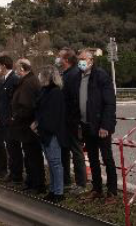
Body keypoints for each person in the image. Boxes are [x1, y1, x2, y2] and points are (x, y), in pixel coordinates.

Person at [76, 49, 117, 203]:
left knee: (107, 159)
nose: (81, 61)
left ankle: (112, 192)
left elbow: (109, 103)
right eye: (79, 58)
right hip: (86, 126)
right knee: (92, 159)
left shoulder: (100, 75)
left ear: (91, 60)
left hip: (101, 126)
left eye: (83, 59)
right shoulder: (79, 77)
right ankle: (97, 189)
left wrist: (105, 126)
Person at [11, 59, 45, 194]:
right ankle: (31, 181)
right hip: (25, 125)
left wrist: (17, 116)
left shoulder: (29, 83)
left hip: (29, 126)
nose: (16, 71)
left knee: (33, 156)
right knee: (29, 156)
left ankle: (37, 184)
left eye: (17, 68)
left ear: (22, 68)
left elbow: (28, 106)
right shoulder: (26, 81)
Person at [34, 65, 67, 203]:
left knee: (55, 163)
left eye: (41, 75)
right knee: (51, 163)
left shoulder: (55, 92)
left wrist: (41, 125)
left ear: (47, 76)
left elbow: (53, 115)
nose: (39, 77)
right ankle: (53, 190)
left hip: (52, 133)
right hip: (44, 131)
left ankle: (59, 192)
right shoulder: (45, 90)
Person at [59, 48, 87, 194]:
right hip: (65, 120)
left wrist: (76, 120)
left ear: (66, 60)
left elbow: (76, 99)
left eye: (60, 57)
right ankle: (67, 181)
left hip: (73, 120)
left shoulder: (74, 74)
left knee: (76, 152)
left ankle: (81, 183)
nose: (58, 60)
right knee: (65, 150)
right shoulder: (67, 74)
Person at [0, 55, 22, 184]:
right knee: (10, 149)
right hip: (4, 120)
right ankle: (13, 173)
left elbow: (14, 101)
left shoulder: (14, 79)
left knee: (14, 149)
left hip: (11, 121)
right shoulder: (5, 79)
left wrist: (12, 117)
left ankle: (17, 175)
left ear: (4, 65)